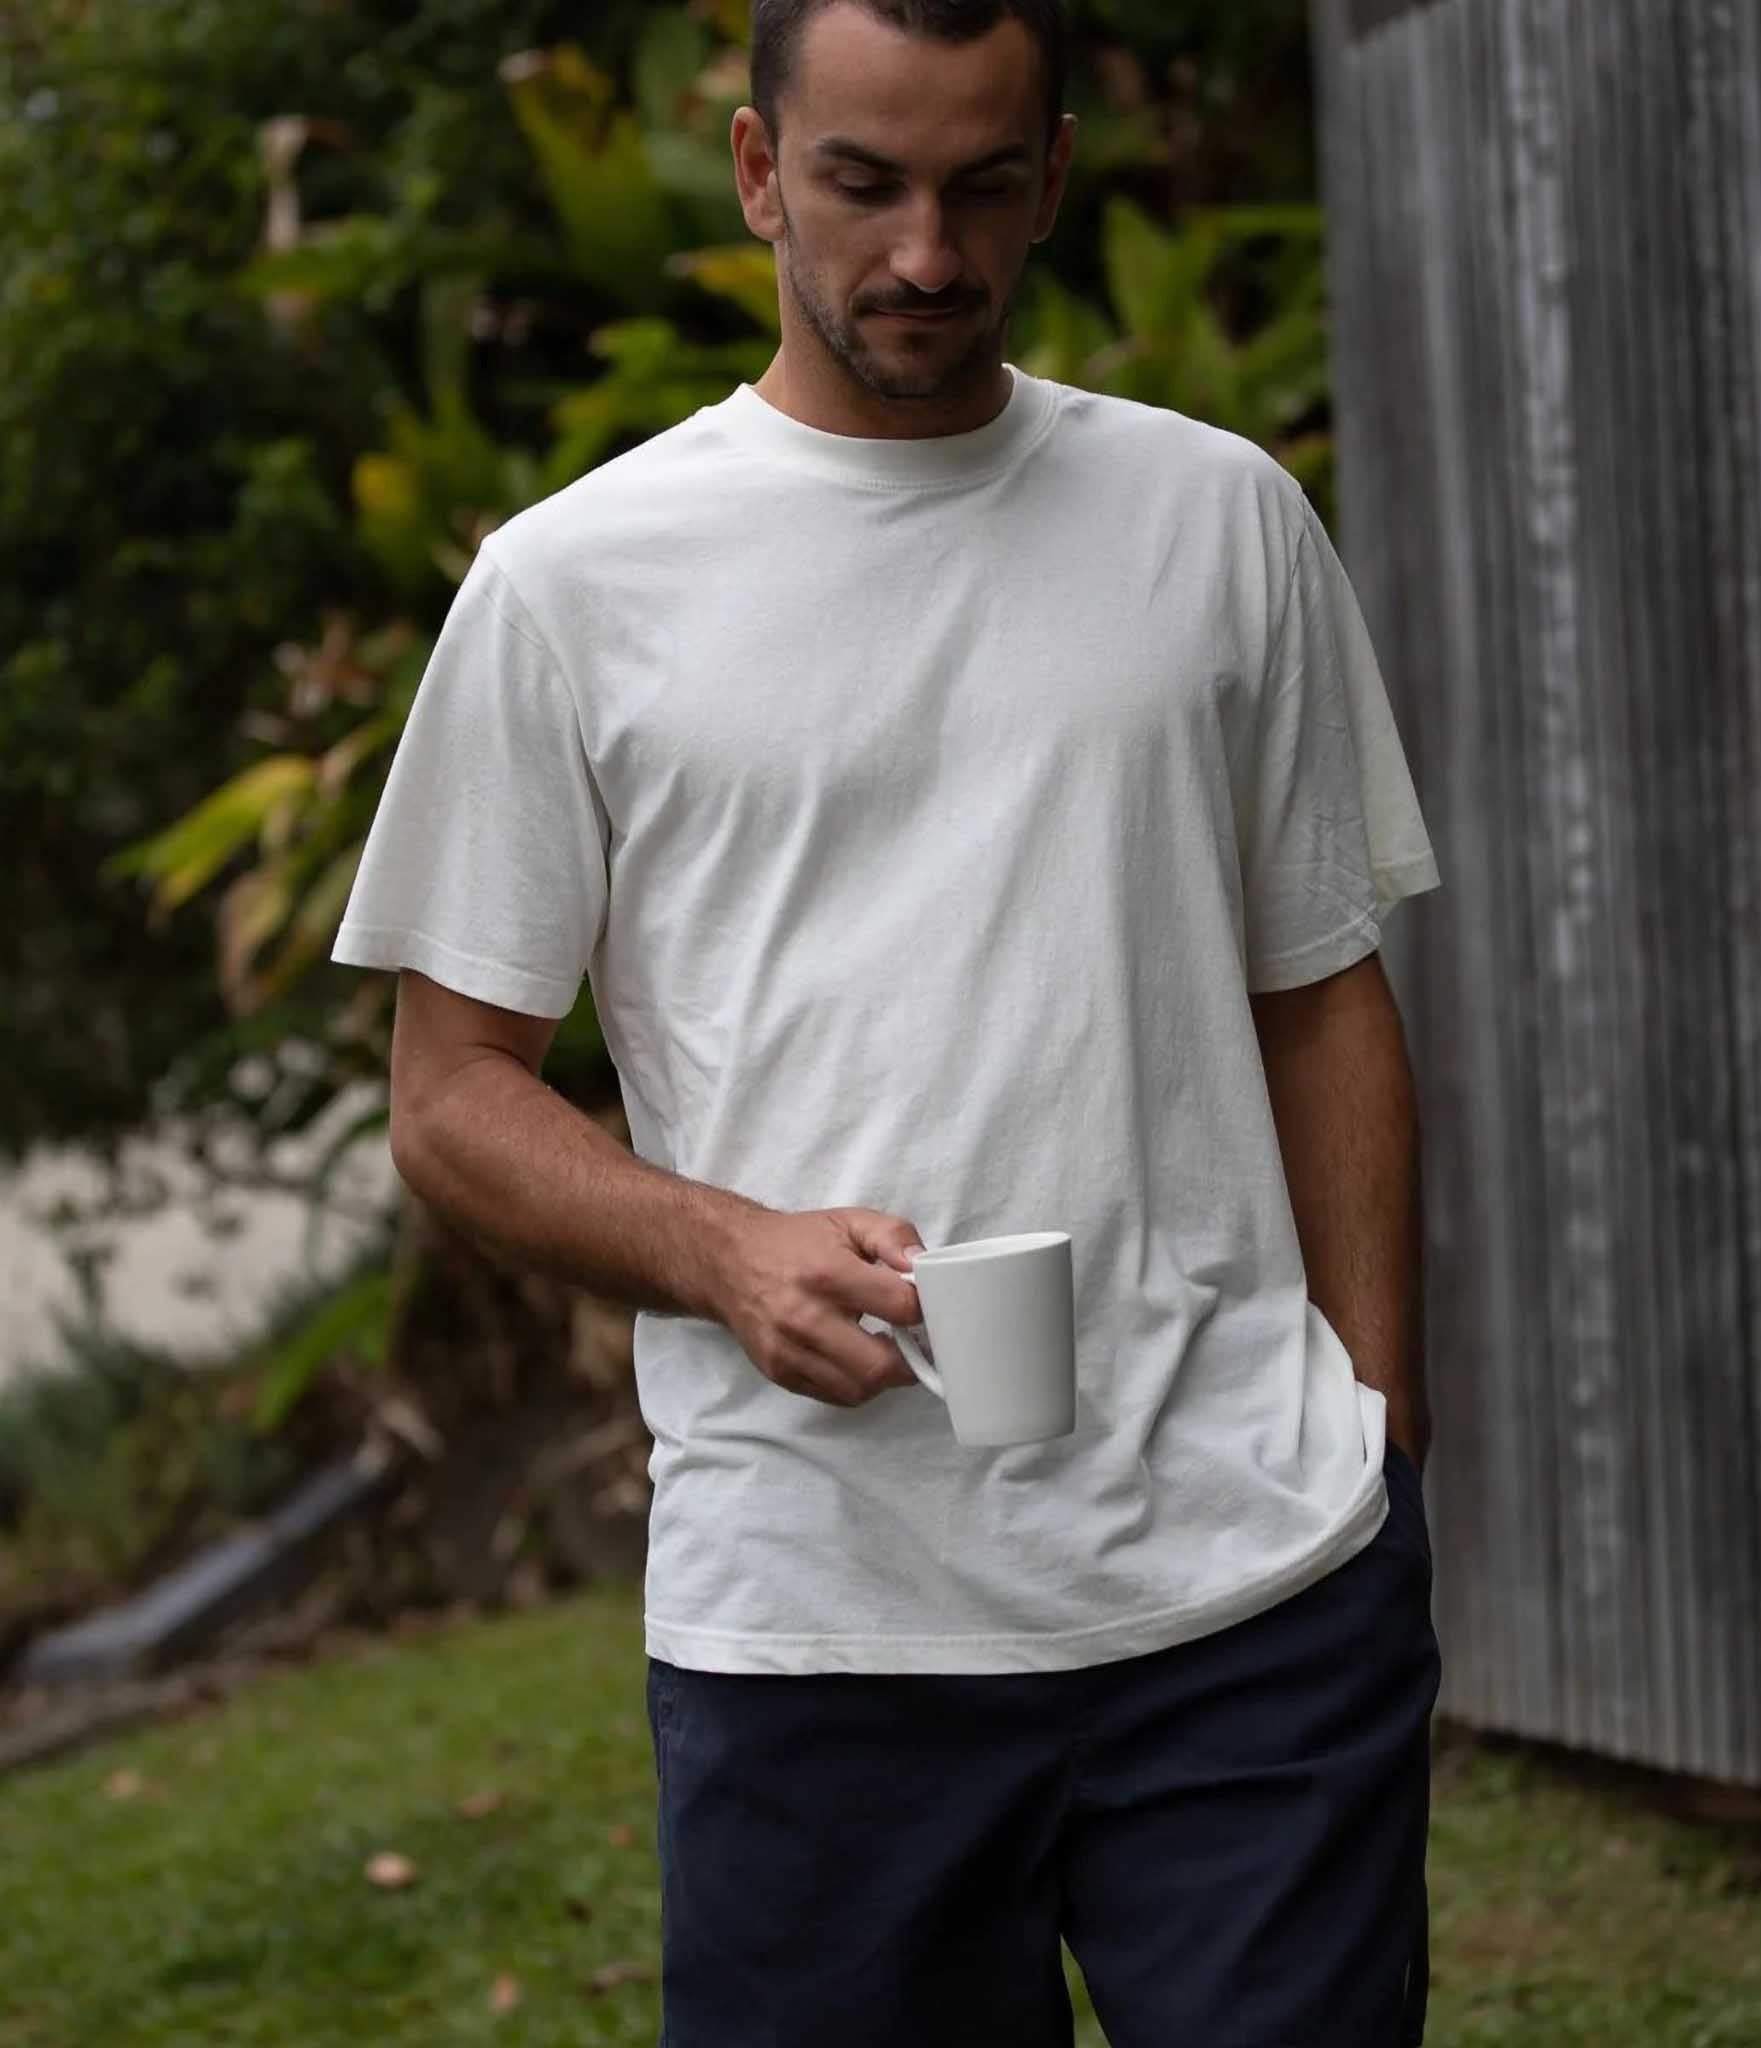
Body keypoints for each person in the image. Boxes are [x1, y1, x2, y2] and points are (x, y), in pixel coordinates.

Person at [331, 0, 1444, 2039]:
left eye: (980, 185)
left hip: (1255, 1596)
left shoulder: (1216, 519)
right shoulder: (572, 588)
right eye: (863, 183)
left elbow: (1320, 991)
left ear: (1054, 178)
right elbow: (451, 1098)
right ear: (761, 173)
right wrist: (721, 1248)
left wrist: (1374, 1421)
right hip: (817, 1629)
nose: (927, 252)